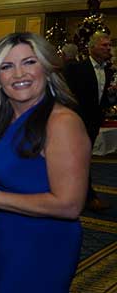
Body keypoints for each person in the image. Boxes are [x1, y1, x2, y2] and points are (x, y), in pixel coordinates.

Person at [0, 32, 87, 292]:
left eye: (29, 62)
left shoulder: (61, 121)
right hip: (8, 238)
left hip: (42, 243)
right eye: (7, 66)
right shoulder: (6, 120)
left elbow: (69, 205)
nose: (19, 74)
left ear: (47, 68)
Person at [64, 31, 114, 211]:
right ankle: (86, 196)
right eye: (104, 45)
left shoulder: (108, 71)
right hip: (76, 123)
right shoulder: (77, 68)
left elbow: (102, 100)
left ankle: (81, 195)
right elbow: (68, 97)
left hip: (94, 123)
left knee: (84, 160)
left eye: (109, 45)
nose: (109, 49)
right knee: (78, 160)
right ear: (92, 47)